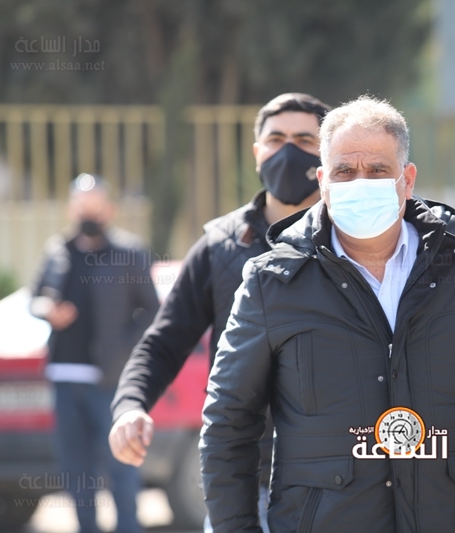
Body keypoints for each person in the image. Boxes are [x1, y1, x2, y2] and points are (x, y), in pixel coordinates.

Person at [200, 95, 455, 533]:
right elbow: (229, 421)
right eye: (344, 171)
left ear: (407, 179)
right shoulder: (273, 280)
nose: (361, 182)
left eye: (378, 170)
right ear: (322, 181)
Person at [109, 93, 331, 532]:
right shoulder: (219, 247)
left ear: (326, 156)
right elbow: (164, 341)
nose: (288, 151)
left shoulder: (352, 241)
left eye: (305, 140)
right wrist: (130, 405)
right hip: (246, 483)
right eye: (276, 139)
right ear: (257, 152)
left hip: (337, 481)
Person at [31, 173, 160, 533]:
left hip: (110, 379)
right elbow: (35, 297)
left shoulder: (128, 254)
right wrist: (47, 310)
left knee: (122, 460)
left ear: (109, 210)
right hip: (64, 377)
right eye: (81, 206)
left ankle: (128, 527)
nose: (88, 213)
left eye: (94, 207)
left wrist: (122, 351)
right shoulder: (58, 250)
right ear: (72, 209)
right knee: (76, 466)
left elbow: (152, 312)